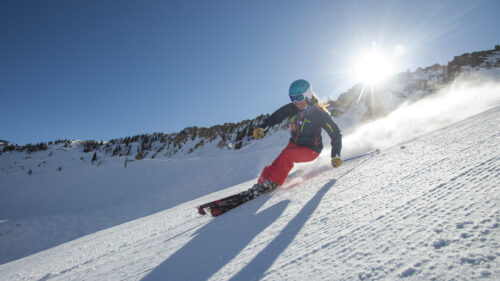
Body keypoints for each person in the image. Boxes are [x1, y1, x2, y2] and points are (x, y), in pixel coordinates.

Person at [248, 79, 342, 195]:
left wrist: (336, 154)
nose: (296, 102)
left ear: (308, 95)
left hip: (312, 149)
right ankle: (263, 181)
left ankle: (272, 183)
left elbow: (336, 133)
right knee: (280, 160)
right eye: (293, 98)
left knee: (287, 156)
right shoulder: (293, 108)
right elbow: (277, 116)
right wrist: (263, 127)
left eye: (299, 98)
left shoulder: (319, 113)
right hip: (294, 144)